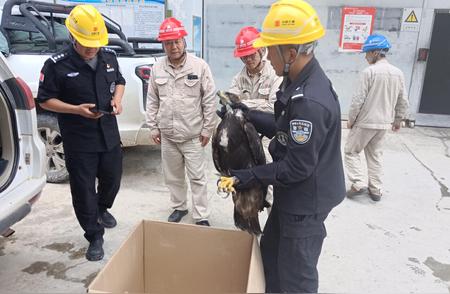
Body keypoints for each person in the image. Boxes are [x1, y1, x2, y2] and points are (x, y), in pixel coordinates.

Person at [218, 0, 345, 292]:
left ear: (291, 52)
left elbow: (296, 167)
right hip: (290, 194)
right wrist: (244, 113)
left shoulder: (309, 101)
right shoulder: (296, 80)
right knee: (270, 258)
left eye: (269, 49)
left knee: (296, 275)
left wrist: (247, 176)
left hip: (305, 200)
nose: (265, 55)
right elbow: (281, 127)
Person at [37, 5, 125, 261]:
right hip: (79, 139)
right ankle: (93, 235)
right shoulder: (56, 65)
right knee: (84, 189)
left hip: (108, 132)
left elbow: (119, 81)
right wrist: (75, 109)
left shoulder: (108, 56)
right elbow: (45, 100)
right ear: (73, 37)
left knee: (113, 180)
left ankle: (101, 208)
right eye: (87, 43)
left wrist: (117, 100)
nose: (92, 49)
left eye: (95, 43)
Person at [146, 17, 216, 226]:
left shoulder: (199, 66)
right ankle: (179, 207)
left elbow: (209, 99)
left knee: (197, 178)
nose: (173, 46)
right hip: (168, 135)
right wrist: (153, 127)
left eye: (177, 41)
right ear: (163, 45)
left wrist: (207, 129)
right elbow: (152, 99)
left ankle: (201, 215)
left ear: (184, 41)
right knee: (173, 177)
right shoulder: (157, 68)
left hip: (193, 135)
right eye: (168, 43)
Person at [345, 34, 409, 202]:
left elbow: (358, 99)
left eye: (367, 53)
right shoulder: (398, 73)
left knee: (351, 151)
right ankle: (376, 189)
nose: (366, 57)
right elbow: (403, 100)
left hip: (365, 122)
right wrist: (397, 121)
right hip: (383, 124)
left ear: (374, 52)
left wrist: (351, 120)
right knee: (375, 155)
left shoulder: (369, 72)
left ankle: (358, 183)